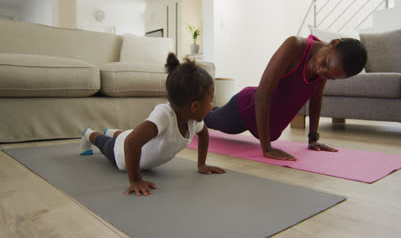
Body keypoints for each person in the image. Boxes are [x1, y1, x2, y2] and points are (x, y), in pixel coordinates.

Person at [80, 53, 225, 196]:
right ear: (194, 106)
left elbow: (204, 135)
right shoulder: (164, 116)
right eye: (211, 101)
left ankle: (112, 131)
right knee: (103, 142)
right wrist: (136, 180)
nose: (212, 106)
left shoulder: (194, 121)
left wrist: (201, 164)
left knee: (129, 134)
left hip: (130, 137)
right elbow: (131, 143)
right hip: (121, 152)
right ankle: (89, 134)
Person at [204, 35, 367, 161]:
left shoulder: (324, 70)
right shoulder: (294, 46)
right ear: (333, 43)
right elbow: (262, 95)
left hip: (259, 124)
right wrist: (266, 149)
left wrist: (313, 138)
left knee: (212, 112)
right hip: (244, 111)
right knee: (206, 119)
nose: (321, 72)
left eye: (329, 76)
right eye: (324, 62)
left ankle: (205, 106)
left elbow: (316, 99)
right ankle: (188, 107)